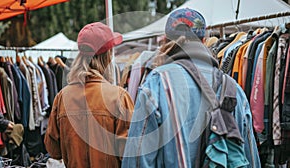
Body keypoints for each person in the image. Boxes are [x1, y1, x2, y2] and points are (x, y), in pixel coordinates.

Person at [122, 8, 261, 167]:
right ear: (204, 41)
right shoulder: (233, 88)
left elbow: (137, 161)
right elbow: (250, 159)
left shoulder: (157, 84)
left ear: (167, 41)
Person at [44, 22, 134, 168]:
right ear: (108, 55)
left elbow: (53, 150)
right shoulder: (119, 97)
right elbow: (130, 153)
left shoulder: (62, 98)